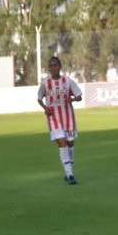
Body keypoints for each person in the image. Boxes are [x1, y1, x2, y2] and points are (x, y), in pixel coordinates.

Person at [37, 55, 83, 184]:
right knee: (62, 144)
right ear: (48, 68)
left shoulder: (67, 81)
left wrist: (72, 99)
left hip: (68, 118)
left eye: (55, 65)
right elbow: (39, 98)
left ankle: (69, 170)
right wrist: (45, 107)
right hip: (53, 119)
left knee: (70, 145)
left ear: (60, 67)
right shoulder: (45, 83)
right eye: (50, 66)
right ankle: (69, 175)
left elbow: (79, 95)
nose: (53, 68)